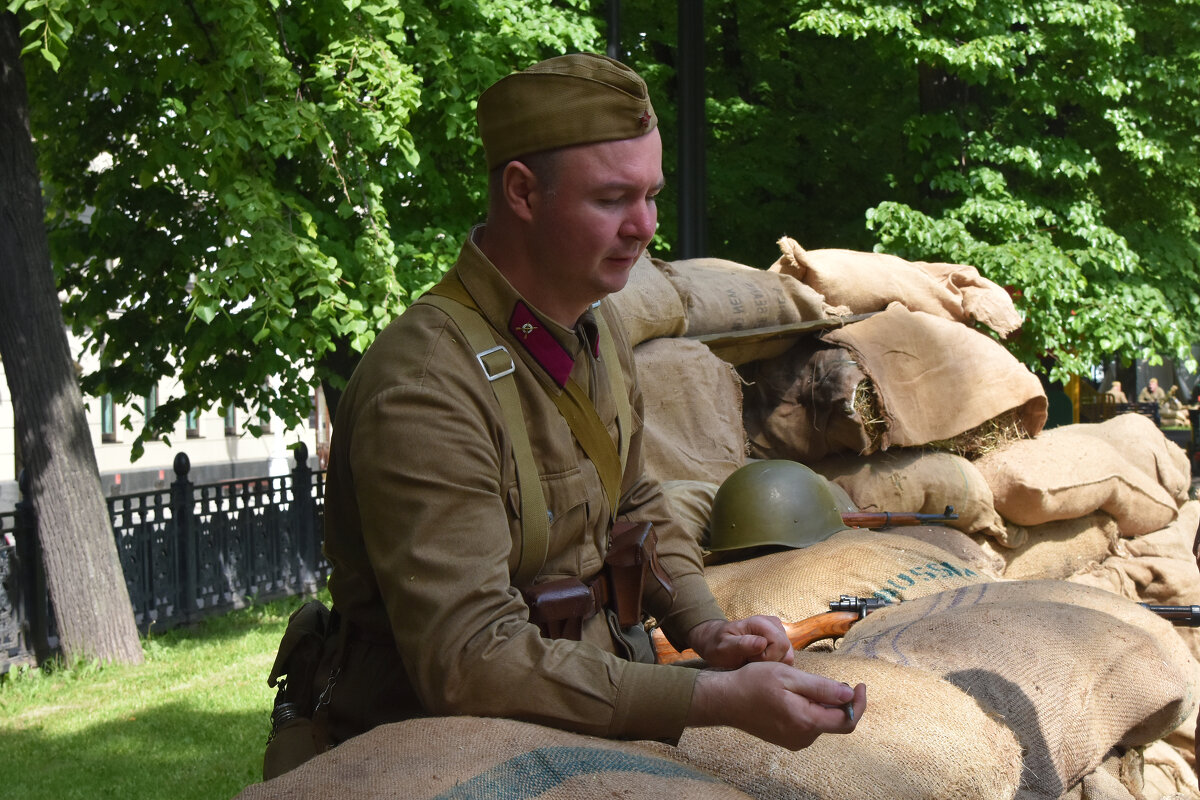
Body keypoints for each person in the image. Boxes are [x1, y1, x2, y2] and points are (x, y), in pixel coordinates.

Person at [313, 53, 865, 759]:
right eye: (611, 199)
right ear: (521, 192)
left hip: (579, 709)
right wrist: (710, 698)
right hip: (437, 751)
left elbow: (631, 505)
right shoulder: (427, 385)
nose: (644, 226)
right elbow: (469, 659)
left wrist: (706, 629)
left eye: (652, 195)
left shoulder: (594, 325)